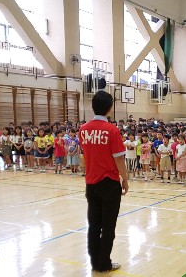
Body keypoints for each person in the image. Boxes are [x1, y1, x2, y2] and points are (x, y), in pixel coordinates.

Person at [79, 91, 128, 273]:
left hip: (91, 183)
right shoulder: (112, 130)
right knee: (108, 226)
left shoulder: (83, 129)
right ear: (109, 108)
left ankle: (95, 262)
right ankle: (104, 263)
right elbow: (119, 159)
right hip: (109, 183)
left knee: (94, 224)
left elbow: (86, 154)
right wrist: (125, 178)